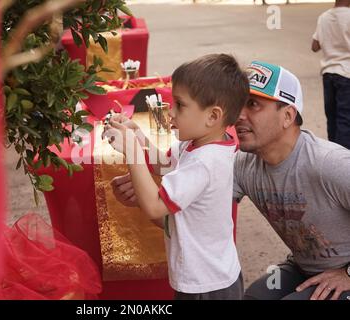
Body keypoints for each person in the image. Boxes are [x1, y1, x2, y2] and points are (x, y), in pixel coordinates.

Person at [112, 61, 350, 300]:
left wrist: (347, 273)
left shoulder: (331, 164)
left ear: (287, 115)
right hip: (303, 266)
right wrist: (142, 195)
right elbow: (194, 222)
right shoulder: (241, 163)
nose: (238, 115)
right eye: (238, 104)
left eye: (253, 105)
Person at [103, 54, 249, 300]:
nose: (170, 112)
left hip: (207, 286)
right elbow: (165, 164)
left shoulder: (205, 163)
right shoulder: (198, 145)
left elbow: (155, 207)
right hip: (211, 277)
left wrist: (132, 151)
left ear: (212, 116)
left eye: (179, 105)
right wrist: (138, 136)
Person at [311, 0, 350, 149]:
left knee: (332, 118)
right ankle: (343, 161)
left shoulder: (324, 17)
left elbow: (314, 46)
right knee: (345, 120)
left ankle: (332, 154)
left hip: (328, 74)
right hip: (347, 74)